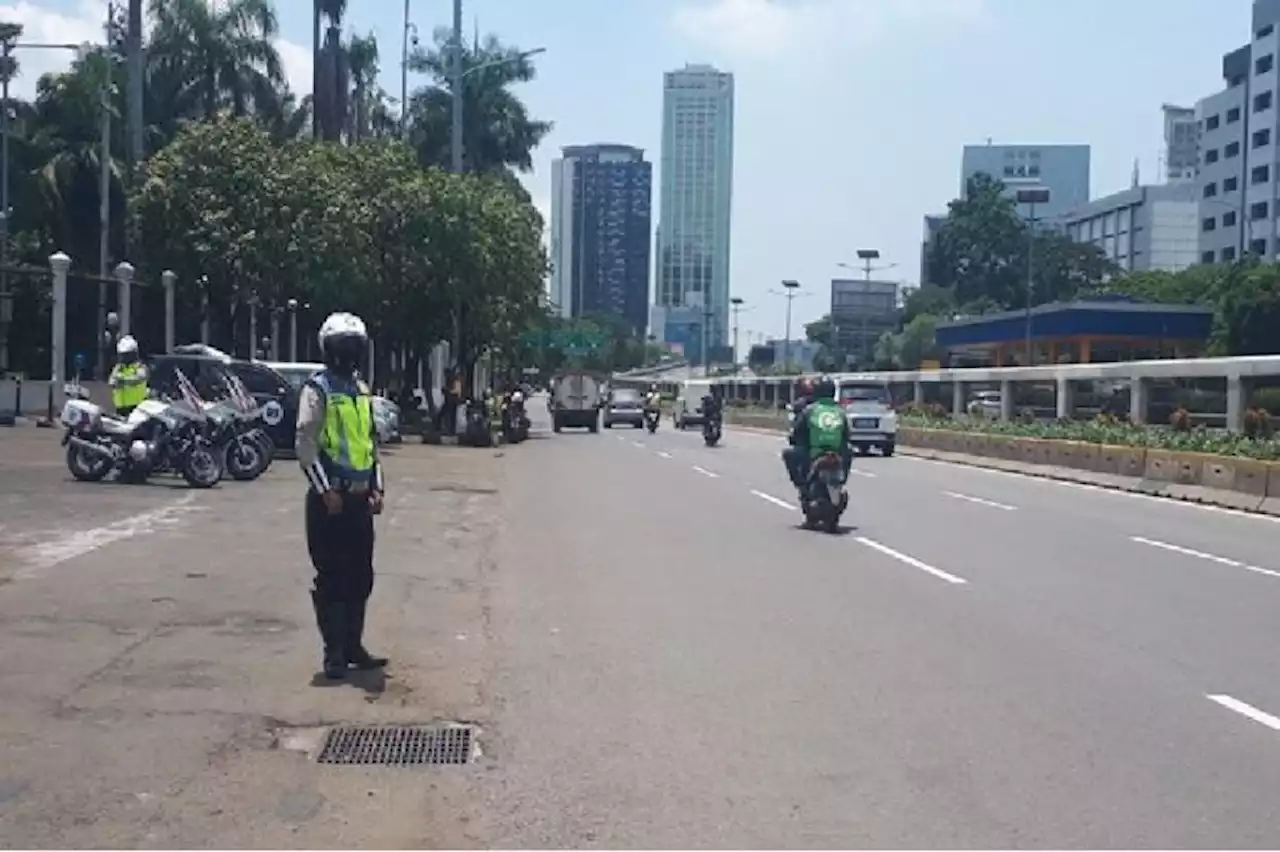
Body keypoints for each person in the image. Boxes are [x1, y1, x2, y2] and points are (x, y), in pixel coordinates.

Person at [295, 311, 388, 680]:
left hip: (360, 500)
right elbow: (305, 441)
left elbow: (370, 444)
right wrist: (324, 489)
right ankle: (333, 653)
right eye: (342, 347)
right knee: (331, 577)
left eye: (354, 347)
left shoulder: (362, 390)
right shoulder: (317, 389)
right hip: (329, 501)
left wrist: (377, 487)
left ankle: (354, 645)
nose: (348, 354)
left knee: (361, 575)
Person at [783, 375, 851, 490]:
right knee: (849, 451)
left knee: (788, 454)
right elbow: (847, 435)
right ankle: (842, 481)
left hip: (815, 451)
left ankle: (801, 484)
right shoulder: (840, 411)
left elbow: (797, 431)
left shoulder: (810, 410)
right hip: (837, 452)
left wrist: (792, 438)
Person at [108, 335, 149, 418]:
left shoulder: (139, 366)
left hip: (137, 407)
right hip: (120, 408)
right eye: (122, 355)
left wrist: (123, 380)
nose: (123, 357)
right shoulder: (119, 367)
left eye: (126, 355)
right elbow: (111, 382)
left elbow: (140, 378)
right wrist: (115, 381)